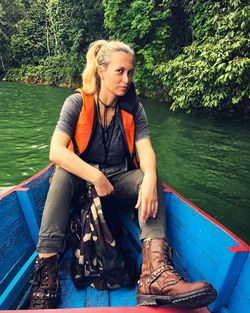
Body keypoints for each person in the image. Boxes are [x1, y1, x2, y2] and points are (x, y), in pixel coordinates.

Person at [28, 39, 217, 310]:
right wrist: (95, 176)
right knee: (60, 175)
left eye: (130, 72)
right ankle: (46, 275)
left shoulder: (134, 109)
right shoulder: (76, 103)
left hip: (118, 185)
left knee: (148, 177)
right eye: (120, 71)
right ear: (101, 71)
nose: (126, 79)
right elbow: (56, 152)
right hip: (83, 186)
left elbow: (146, 151)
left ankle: (155, 273)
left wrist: (150, 177)